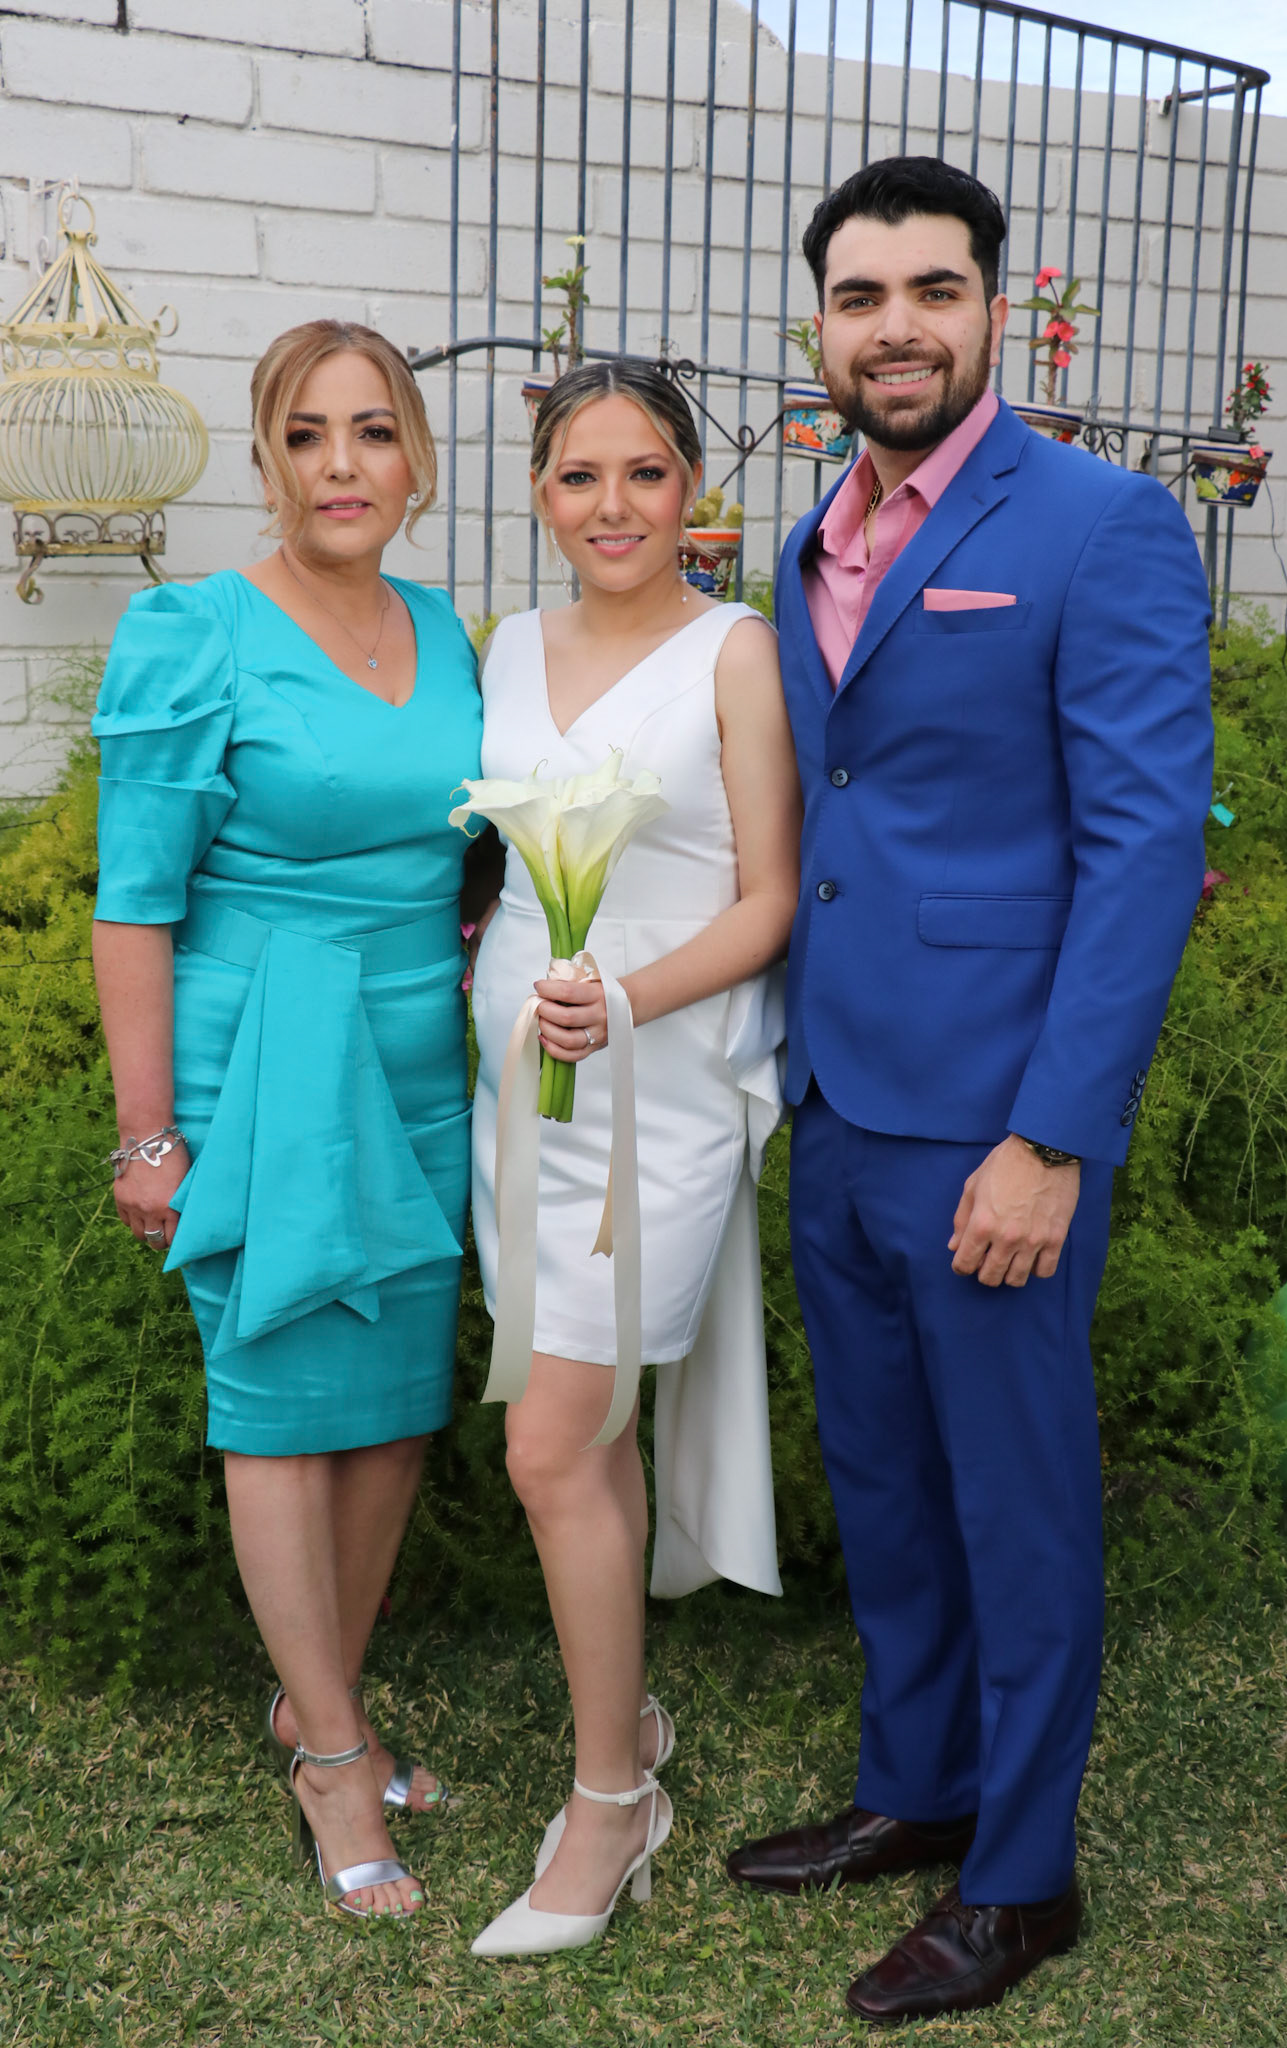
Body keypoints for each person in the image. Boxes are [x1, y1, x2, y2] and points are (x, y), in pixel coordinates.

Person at [725, 157, 1214, 2022]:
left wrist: (1051, 1136)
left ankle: (1019, 1878)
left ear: (995, 308)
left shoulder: (1099, 523)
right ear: (821, 327)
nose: (896, 328)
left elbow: (1141, 846)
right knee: (884, 1480)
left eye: (933, 290)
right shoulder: (808, 541)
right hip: (837, 1101)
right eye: (860, 297)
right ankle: (915, 1788)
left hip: (995, 1119)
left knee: (1014, 1506)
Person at [90, 320, 483, 1921]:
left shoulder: (447, 629)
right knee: (275, 1406)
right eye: (306, 435)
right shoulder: (197, 632)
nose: (341, 465)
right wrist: (148, 1136)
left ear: (415, 459)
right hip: (258, 1063)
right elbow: (133, 903)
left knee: (390, 1408)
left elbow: (467, 848)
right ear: (266, 458)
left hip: (418, 1062)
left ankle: (317, 1700)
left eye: (372, 431)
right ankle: (332, 1756)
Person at [465, 358, 800, 1957]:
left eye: (646, 472)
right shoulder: (506, 646)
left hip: (656, 1084)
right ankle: (628, 1725)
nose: (613, 506)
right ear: (540, 492)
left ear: (691, 491)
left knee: (551, 1441)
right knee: (574, 1435)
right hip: (516, 1085)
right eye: (580, 475)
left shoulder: (735, 651)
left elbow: (768, 898)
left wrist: (627, 998)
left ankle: (612, 1801)